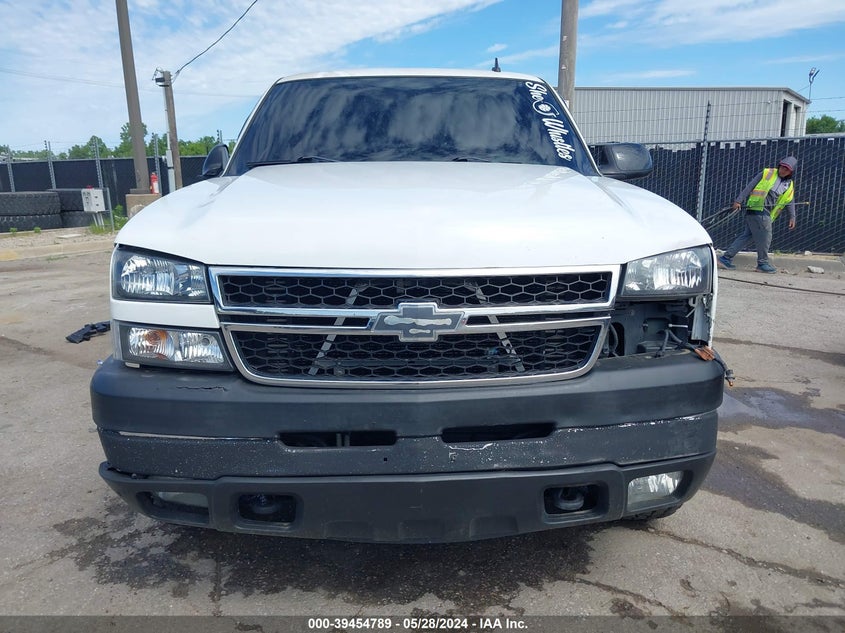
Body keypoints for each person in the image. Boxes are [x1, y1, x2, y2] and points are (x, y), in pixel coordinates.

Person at [717, 156, 798, 274]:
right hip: (758, 208)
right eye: (782, 167)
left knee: (747, 235)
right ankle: (762, 263)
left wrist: (792, 217)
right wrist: (738, 200)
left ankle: (725, 258)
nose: (783, 170)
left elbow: (790, 200)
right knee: (766, 236)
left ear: (791, 172)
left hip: (763, 212)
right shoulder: (768, 173)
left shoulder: (789, 185)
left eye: (786, 169)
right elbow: (750, 185)